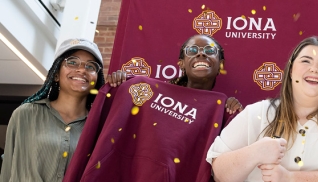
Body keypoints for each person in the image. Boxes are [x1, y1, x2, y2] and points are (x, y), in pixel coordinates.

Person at [206, 36, 318, 182]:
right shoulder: (257, 113)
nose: (314, 69)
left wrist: (289, 177)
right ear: (291, 71)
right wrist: (255, 152)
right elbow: (219, 173)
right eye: (306, 61)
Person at [1, 38, 105, 181]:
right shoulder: (26, 114)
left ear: (96, 79)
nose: (82, 69)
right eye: (72, 62)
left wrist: (124, 87)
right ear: (56, 74)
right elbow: (7, 171)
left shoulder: (100, 127)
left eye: (91, 66)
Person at [106, 34, 242, 114]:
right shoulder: (153, 95)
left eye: (210, 50)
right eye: (193, 50)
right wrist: (120, 87)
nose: (201, 53)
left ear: (221, 65)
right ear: (181, 63)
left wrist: (233, 113)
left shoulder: (223, 108)